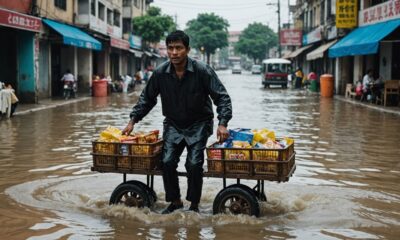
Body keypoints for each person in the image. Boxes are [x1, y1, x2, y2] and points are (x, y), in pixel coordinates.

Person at [122, 30, 232, 214]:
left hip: (200, 123)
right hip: (173, 124)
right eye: (170, 48)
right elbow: (147, 99)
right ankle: (175, 201)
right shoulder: (160, 73)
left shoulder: (202, 70)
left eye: (178, 48)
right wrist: (133, 120)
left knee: (194, 163)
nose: (174, 52)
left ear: (187, 49)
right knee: (166, 161)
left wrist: (223, 123)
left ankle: (194, 204)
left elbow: (222, 97)